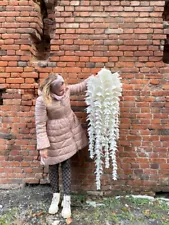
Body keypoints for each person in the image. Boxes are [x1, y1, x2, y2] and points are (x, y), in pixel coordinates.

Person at [35, 73, 90, 218]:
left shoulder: (65, 90)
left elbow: (80, 87)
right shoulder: (42, 101)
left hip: (68, 133)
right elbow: (40, 124)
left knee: (66, 165)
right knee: (53, 166)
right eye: (60, 89)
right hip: (53, 136)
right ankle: (55, 197)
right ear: (51, 89)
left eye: (64, 86)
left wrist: (92, 79)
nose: (64, 90)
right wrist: (43, 147)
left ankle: (67, 200)